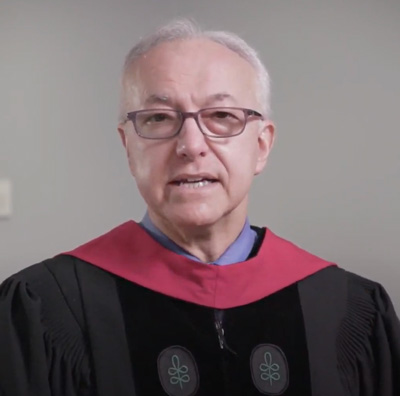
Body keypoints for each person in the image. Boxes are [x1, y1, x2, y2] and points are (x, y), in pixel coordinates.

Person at [0, 19, 399, 396]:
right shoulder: (48, 308)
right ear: (128, 146)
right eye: (158, 118)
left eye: (222, 116)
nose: (191, 145)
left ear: (261, 146)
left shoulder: (347, 309)